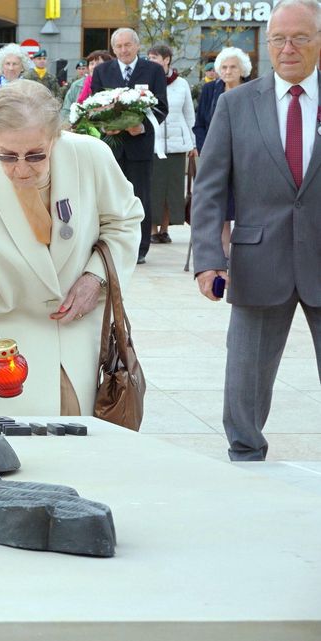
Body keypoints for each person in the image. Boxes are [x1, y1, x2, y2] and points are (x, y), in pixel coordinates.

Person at [0, 80, 144, 415]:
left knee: (82, 444)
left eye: (36, 155)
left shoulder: (91, 156)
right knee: (17, 454)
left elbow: (125, 222)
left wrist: (96, 278)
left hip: (79, 329)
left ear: (56, 137)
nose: (21, 170)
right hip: (6, 342)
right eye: (7, 156)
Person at [191, 0, 321, 462]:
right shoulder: (234, 104)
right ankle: (245, 455)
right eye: (278, 39)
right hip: (258, 258)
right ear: (267, 45)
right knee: (245, 376)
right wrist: (208, 259)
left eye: (300, 37)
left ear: (318, 41)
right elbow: (209, 190)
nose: (288, 48)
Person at [89, 27, 168, 265]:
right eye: (119, 46)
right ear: (113, 49)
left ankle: (140, 248)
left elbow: (161, 107)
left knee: (140, 197)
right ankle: (109, 245)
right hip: (111, 147)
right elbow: (94, 106)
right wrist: (105, 126)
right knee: (110, 197)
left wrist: (141, 125)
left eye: (127, 45)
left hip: (139, 146)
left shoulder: (153, 71)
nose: (123, 50)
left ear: (137, 46)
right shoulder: (103, 71)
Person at [192, 47, 250, 255]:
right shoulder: (210, 90)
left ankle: (245, 251)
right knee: (221, 202)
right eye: (223, 67)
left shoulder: (253, 90)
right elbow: (199, 125)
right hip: (215, 157)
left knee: (245, 202)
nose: (227, 71)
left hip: (246, 158)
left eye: (233, 67)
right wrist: (205, 150)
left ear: (242, 69)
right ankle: (224, 252)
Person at [145, 44, 196, 245]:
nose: (151, 61)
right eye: (149, 58)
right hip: (153, 144)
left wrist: (192, 143)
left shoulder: (181, 83)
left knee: (171, 189)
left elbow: (189, 114)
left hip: (176, 144)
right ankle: (151, 229)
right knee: (153, 188)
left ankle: (164, 229)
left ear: (167, 60)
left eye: (155, 57)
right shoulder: (145, 82)